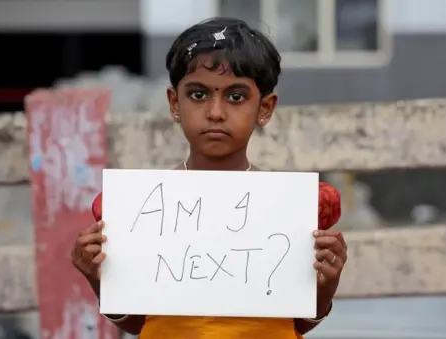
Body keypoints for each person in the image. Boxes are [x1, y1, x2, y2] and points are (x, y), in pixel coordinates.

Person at [71, 17, 348, 339]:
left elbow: (295, 323)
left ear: (265, 108)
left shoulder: (287, 210)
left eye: (236, 97)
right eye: (198, 95)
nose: (215, 112)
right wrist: (99, 279)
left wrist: (326, 287)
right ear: (175, 104)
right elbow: (140, 324)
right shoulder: (142, 209)